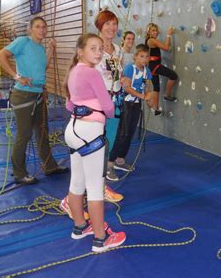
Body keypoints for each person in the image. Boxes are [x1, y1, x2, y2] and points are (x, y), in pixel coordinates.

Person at [64, 33, 126, 252]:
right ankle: (101, 239)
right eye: (93, 48)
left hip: (73, 129)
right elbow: (109, 109)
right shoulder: (91, 74)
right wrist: (105, 104)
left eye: (100, 48)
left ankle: (80, 226)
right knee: (95, 187)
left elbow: (69, 105)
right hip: (89, 131)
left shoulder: (73, 71)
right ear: (80, 51)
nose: (98, 52)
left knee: (77, 182)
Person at [0, 17, 68, 185]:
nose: (42, 30)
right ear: (30, 29)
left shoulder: (40, 48)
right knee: (24, 134)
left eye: (44, 27)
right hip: (24, 95)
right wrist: (16, 76)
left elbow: (43, 67)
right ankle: (19, 173)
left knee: (42, 131)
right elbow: (1, 55)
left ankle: (50, 166)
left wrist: (50, 50)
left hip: (38, 94)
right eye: (37, 27)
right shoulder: (23, 41)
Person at [106, 44, 153, 181]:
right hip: (127, 103)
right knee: (122, 132)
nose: (144, 59)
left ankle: (120, 160)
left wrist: (149, 97)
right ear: (135, 57)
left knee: (130, 132)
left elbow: (148, 85)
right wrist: (143, 96)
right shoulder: (129, 68)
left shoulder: (146, 70)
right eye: (141, 56)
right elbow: (127, 88)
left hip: (136, 105)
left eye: (147, 56)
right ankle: (110, 163)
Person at [145, 23, 178, 115]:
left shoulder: (149, 41)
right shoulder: (152, 40)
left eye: (156, 30)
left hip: (151, 67)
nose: (155, 32)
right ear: (149, 32)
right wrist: (169, 35)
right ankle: (166, 95)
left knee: (156, 87)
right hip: (155, 66)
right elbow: (166, 48)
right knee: (173, 75)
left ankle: (155, 109)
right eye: (153, 30)